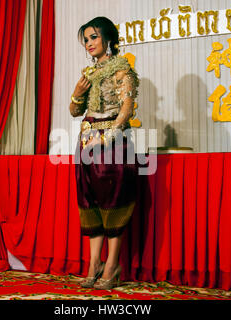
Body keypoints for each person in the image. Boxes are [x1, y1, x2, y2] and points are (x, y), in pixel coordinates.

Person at [69, 17, 139, 290]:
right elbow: (75, 112)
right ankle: (93, 264)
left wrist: (106, 139)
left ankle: (112, 266)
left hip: (113, 144)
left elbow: (127, 109)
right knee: (89, 201)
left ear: (108, 39)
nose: (89, 43)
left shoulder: (123, 71)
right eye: (85, 39)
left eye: (94, 37)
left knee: (113, 202)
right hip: (86, 142)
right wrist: (76, 93)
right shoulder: (88, 75)